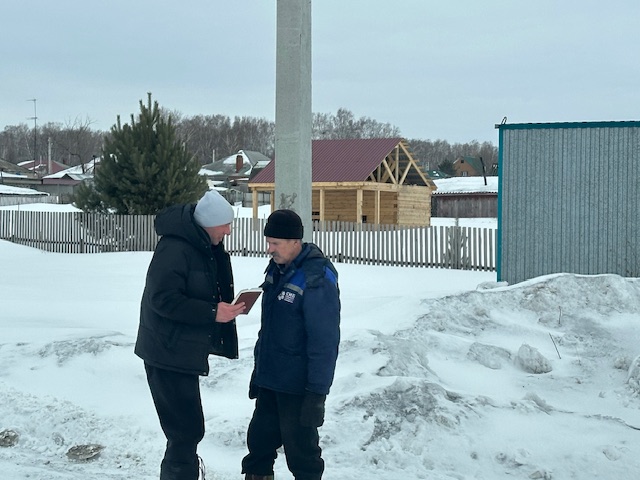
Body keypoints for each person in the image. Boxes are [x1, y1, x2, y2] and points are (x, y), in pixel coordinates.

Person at [135, 190, 246, 480]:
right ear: (209, 223)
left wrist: (219, 309)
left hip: (179, 351)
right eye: (225, 225)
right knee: (184, 432)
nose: (228, 231)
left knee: (187, 430)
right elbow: (162, 299)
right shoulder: (175, 249)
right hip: (166, 351)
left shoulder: (201, 245)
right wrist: (212, 312)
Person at [242, 209, 341, 480]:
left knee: (302, 456)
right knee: (258, 447)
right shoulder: (277, 270)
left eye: (275, 243)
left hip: (298, 387)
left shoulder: (316, 278)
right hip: (271, 381)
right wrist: (259, 372)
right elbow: (270, 329)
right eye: (268, 242)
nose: (269, 249)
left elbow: (324, 342)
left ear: (295, 241)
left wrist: (317, 394)